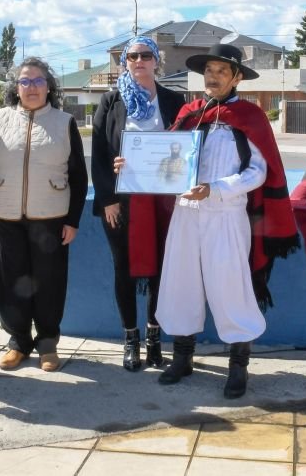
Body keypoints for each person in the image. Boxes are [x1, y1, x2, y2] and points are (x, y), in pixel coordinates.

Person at [154, 43, 298, 399]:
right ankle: (182, 356)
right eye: (209, 71)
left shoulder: (249, 118)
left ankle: (238, 366)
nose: (213, 77)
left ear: (236, 77)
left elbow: (259, 172)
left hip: (226, 216)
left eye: (221, 71)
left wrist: (217, 189)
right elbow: (164, 164)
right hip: (186, 215)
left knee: (230, 286)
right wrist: (135, 168)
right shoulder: (189, 114)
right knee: (180, 284)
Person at [91, 36, 185, 371]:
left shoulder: (175, 99)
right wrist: (108, 200)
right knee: (124, 271)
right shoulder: (112, 100)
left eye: (146, 55)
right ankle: (131, 340)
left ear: (157, 61)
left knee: (163, 269)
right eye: (132, 56)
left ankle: (155, 338)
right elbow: (100, 155)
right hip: (123, 201)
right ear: (125, 62)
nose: (139, 60)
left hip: (165, 201)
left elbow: (187, 146)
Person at [0, 58, 88, 372]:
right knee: (10, 280)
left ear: (49, 87)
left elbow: (78, 176)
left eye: (38, 81)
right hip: (6, 214)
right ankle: (18, 341)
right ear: (15, 88)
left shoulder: (64, 122)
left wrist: (72, 220)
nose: (31, 87)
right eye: (25, 81)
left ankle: (47, 343)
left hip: (51, 216)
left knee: (49, 282)